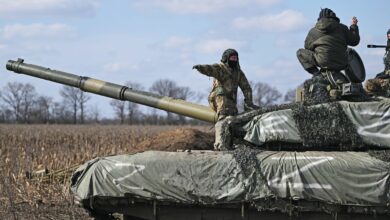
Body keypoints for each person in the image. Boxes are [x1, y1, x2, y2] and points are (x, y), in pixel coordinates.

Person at [193, 48, 256, 120]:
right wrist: (201, 68)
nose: (234, 60)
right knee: (223, 119)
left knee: (233, 119)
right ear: (226, 58)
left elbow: (246, 88)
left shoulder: (238, 73)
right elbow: (210, 69)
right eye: (232, 58)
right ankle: (221, 121)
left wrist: (249, 102)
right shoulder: (220, 69)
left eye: (236, 58)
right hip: (219, 101)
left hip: (231, 103)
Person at [297, 8, 360, 75]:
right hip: (342, 63)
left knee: (300, 53)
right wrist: (354, 26)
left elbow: (307, 47)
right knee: (349, 51)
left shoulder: (313, 31)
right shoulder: (342, 28)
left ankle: (317, 74)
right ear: (334, 17)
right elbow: (354, 41)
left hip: (323, 62)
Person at [364, 29, 390, 97]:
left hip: (388, 80)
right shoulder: (388, 52)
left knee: (368, 83)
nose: (389, 37)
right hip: (386, 77)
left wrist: (384, 76)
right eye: (388, 35)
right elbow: (387, 70)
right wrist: (380, 75)